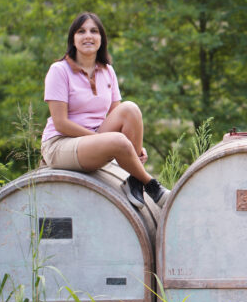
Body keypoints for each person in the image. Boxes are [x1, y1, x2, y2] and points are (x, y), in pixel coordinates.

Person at [40, 12, 169, 208]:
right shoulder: (59, 70)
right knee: (117, 141)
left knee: (131, 109)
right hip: (61, 143)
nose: (88, 36)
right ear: (73, 39)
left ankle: (133, 182)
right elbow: (61, 123)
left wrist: (135, 147)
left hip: (97, 138)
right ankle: (152, 186)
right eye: (81, 31)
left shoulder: (108, 71)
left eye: (94, 31)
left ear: (101, 39)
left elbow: (118, 116)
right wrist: (101, 139)